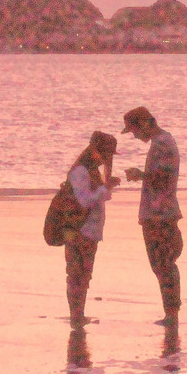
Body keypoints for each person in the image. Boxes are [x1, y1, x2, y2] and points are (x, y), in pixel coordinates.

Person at [121, 106, 183, 326]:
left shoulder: (162, 143)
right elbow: (161, 177)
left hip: (160, 214)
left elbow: (163, 178)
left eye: (134, 130)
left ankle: (171, 313)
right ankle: (171, 312)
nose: (135, 136)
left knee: (163, 264)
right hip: (160, 213)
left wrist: (141, 175)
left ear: (145, 124)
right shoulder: (162, 142)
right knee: (162, 264)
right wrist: (143, 176)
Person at [63, 130, 120, 326]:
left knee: (83, 274)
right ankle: (76, 315)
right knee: (77, 274)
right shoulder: (81, 171)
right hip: (79, 229)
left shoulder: (91, 170)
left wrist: (107, 187)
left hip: (88, 231)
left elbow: (96, 198)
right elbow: (85, 201)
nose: (107, 159)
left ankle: (78, 314)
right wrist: (105, 188)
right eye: (106, 154)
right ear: (96, 151)